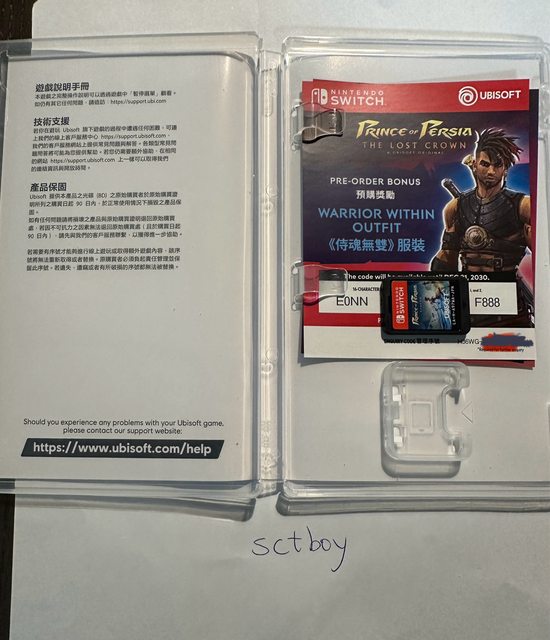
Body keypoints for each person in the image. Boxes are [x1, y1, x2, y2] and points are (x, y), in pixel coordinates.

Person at [430, 128, 531, 274]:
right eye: (485, 164)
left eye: (497, 165)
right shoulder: (455, 208)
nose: (491, 171)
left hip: (506, 284)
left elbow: (543, 257)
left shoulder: (523, 206)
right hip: (468, 285)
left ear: (505, 169)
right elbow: (447, 257)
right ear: (475, 165)